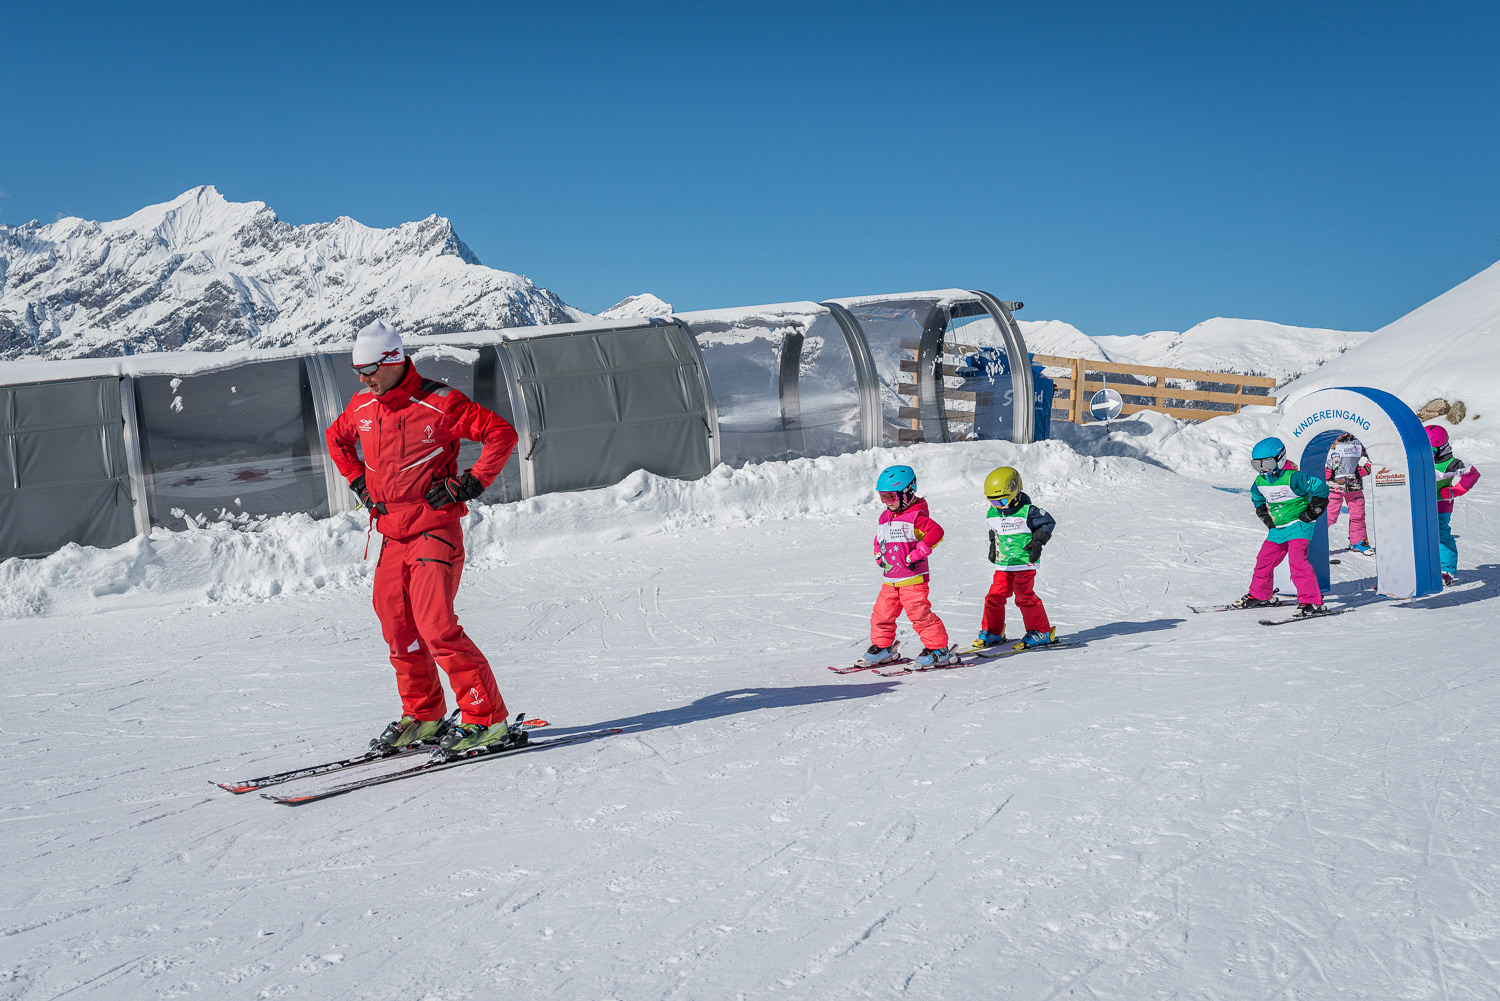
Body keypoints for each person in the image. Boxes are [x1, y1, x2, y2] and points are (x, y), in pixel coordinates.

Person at [325, 319, 521, 760]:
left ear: (393, 359)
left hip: (434, 529)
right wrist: (359, 483)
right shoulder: (362, 406)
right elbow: (336, 439)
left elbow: (500, 434)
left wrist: (470, 483)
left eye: (369, 369)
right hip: (391, 533)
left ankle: (487, 718)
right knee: (398, 627)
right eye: (357, 371)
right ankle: (424, 714)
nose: (363, 379)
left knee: (436, 627)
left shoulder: (439, 403)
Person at [862, 464, 956, 667]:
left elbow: (936, 532)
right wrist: (878, 552)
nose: (886, 502)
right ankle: (883, 647)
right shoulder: (885, 517)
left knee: (919, 614)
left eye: (890, 497)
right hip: (890, 580)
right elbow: (879, 538)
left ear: (907, 493)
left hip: (913, 579)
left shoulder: (916, 516)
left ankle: (938, 649)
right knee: (882, 614)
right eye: (882, 497)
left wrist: (919, 551)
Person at [969, 466, 1058, 651]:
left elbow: (1048, 522)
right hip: (1004, 564)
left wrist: (1038, 542)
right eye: (993, 502)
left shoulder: (1028, 511)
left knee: (1024, 596)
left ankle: (1041, 631)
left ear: (1016, 491)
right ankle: (993, 631)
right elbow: (994, 531)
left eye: (1002, 501)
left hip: (1024, 562)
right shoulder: (993, 513)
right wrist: (993, 547)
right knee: (994, 596)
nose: (998, 506)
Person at [1237, 437, 1329, 613]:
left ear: (1280, 459)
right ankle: (1261, 595)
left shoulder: (1294, 477)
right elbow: (1257, 498)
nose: (1263, 470)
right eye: (1257, 465)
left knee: (1297, 562)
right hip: (1278, 528)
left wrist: (1311, 513)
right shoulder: (1260, 481)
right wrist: (1265, 517)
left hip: (1299, 525)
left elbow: (1321, 489)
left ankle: (1312, 602)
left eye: (1268, 464)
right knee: (1264, 560)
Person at [1427, 424, 1482, 586]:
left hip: (1441, 505)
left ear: (1443, 448)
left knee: (1441, 534)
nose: (1429, 454)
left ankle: (1446, 569)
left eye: (1433, 451)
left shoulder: (1451, 464)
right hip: (1420, 504)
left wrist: (1455, 491)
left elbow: (1472, 473)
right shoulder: (1420, 460)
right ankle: (1420, 566)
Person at [1324, 432, 1373, 554]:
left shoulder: (1357, 442)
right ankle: (1315, 540)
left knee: (1358, 514)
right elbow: (1317, 460)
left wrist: (1365, 469)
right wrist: (1325, 473)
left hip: (1354, 485)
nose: (1342, 433)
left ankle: (1358, 541)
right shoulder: (1328, 441)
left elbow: (1373, 455)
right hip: (1334, 486)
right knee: (1329, 515)